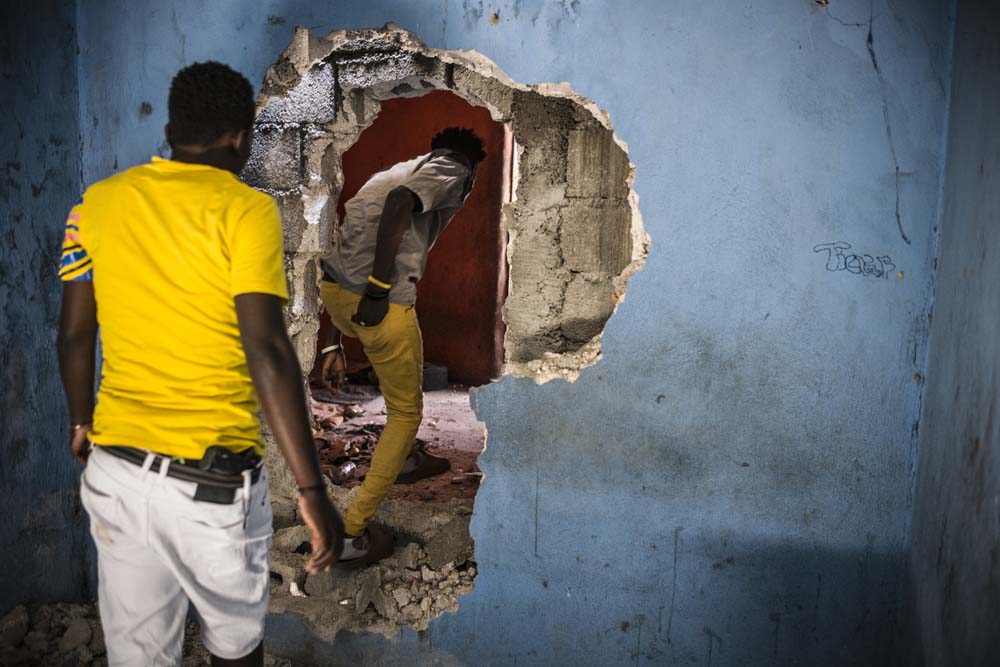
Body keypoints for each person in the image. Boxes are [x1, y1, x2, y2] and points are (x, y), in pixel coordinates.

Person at [57, 62, 344, 667]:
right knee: (235, 651)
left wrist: (82, 422)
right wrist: (313, 491)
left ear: (170, 128)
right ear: (241, 137)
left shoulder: (94, 205)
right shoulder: (246, 211)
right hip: (210, 489)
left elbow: (76, 335)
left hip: (116, 474)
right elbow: (266, 349)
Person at [318, 127, 486, 566]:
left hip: (335, 297)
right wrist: (377, 290)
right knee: (406, 412)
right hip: (377, 305)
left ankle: (408, 460)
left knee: (396, 371)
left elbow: (345, 246)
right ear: (469, 167)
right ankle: (351, 534)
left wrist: (331, 344)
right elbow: (400, 206)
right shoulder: (455, 168)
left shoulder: (389, 172)